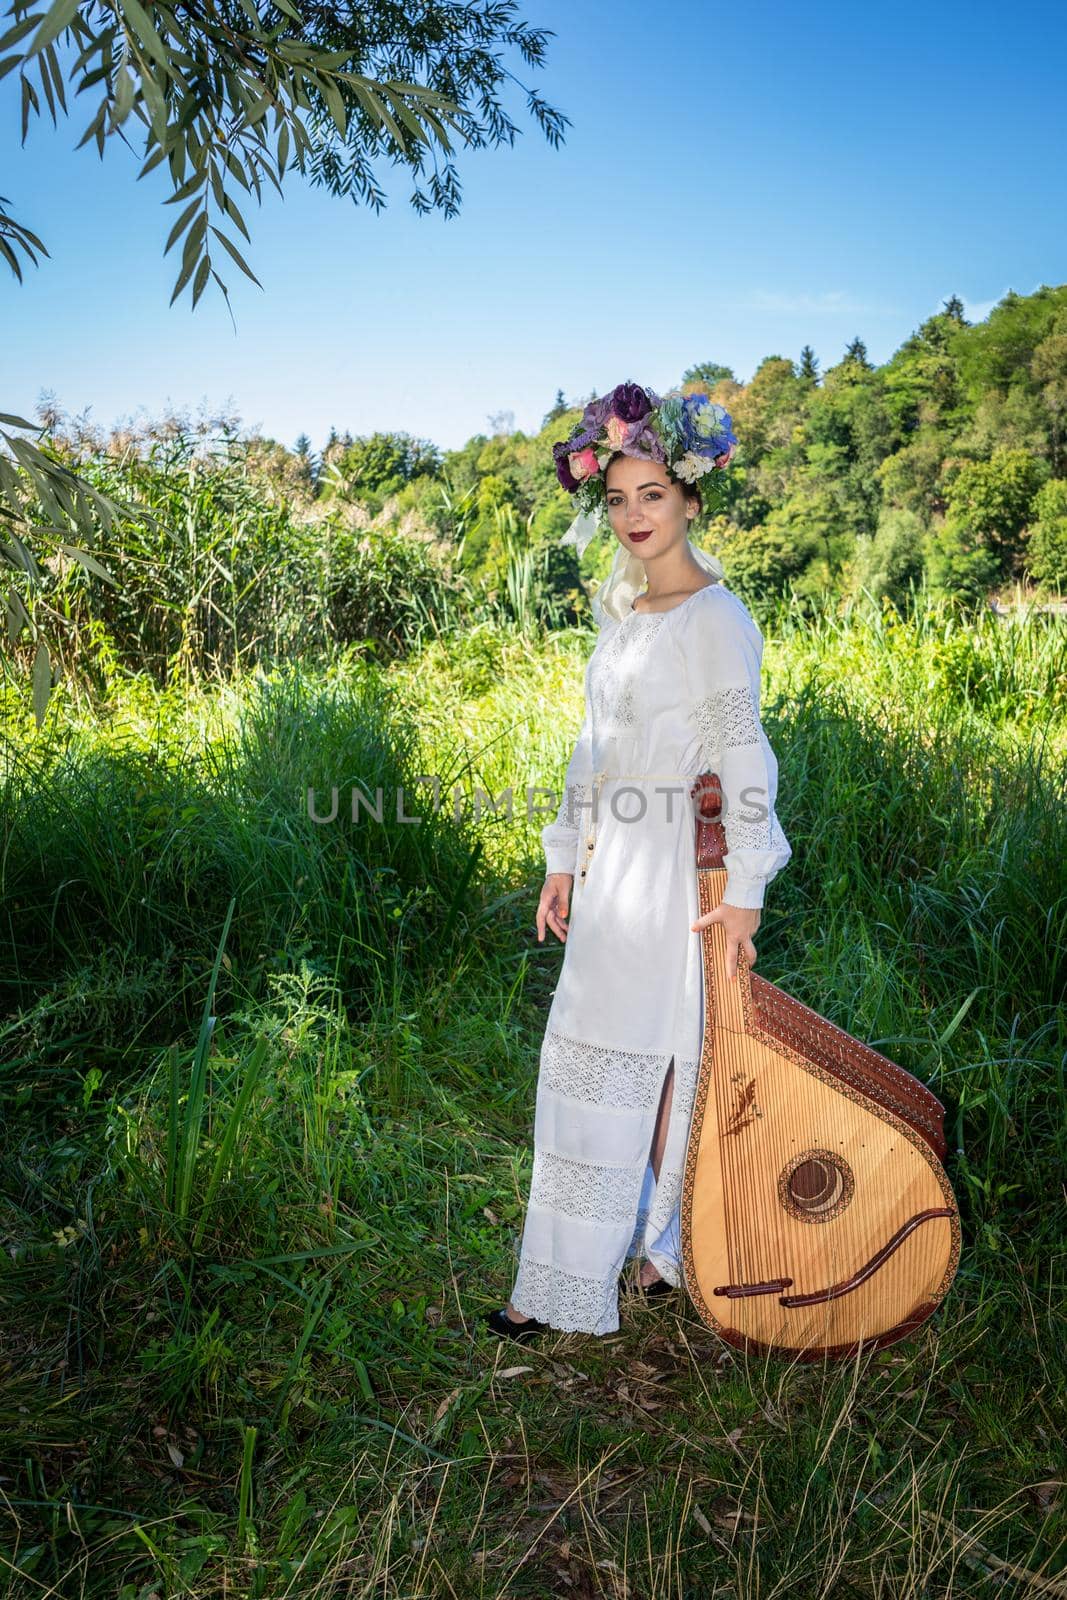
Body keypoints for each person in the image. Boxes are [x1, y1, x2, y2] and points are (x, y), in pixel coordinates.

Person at [485, 381, 792, 1342]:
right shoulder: (626, 613)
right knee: (611, 1062)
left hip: (667, 870)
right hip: (612, 858)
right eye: (616, 500)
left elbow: (742, 756)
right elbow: (592, 747)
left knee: (654, 1061)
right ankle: (616, 1259)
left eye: (651, 495)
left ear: (691, 499)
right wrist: (561, 856)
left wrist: (745, 888)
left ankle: (636, 1257)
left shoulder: (712, 618)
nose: (632, 517)